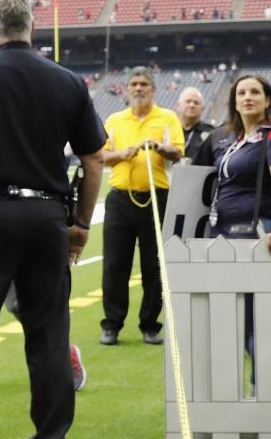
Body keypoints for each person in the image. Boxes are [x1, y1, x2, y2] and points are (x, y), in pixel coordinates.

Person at [0, 0, 105, 439]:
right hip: (49, 218)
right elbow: (93, 161)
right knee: (49, 335)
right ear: (31, 27)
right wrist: (82, 224)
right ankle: (51, 434)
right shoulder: (68, 81)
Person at [99, 66, 184, 346]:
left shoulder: (167, 117)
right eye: (134, 83)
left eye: (144, 84)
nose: (138, 88)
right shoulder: (114, 119)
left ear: (153, 89)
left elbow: (178, 152)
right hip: (121, 198)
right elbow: (101, 156)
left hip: (156, 196)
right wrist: (121, 154)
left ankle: (150, 324)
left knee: (154, 264)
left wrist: (158, 147)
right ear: (126, 89)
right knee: (115, 264)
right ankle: (112, 324)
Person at [208, 74, 271, 386]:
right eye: (241, 92)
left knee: (255, 319)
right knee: (229, 318)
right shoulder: (231, 141)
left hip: (254, 235)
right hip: (221, 236)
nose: (247, 97)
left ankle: (262, 390)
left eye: (255, 92)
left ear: (267, 101)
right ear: (234, 101)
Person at [176, 86, 216, 164]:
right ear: (178, 105)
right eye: (188, 101)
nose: (192, 105)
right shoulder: (167, 131)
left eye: (196, 103)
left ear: (202, 109)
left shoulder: (212, 133)